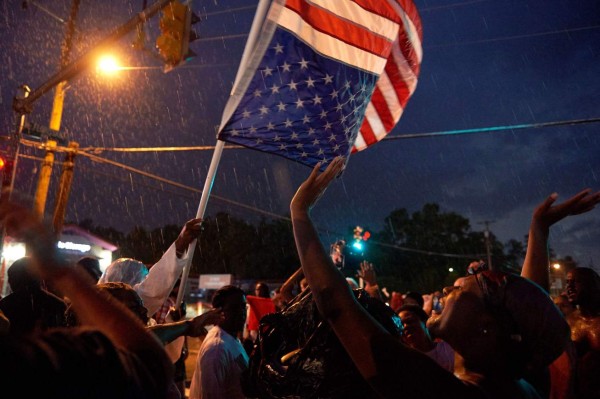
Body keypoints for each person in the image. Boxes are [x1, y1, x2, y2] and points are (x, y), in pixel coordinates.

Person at [289, 157, 570, 398]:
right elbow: (530, 310)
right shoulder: (523, 380)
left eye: (461, 290)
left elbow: (336, 306)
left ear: (486, 326)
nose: (447, 288)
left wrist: (300, 213)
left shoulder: (446, 393)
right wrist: (539, 230)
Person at [0, 200, 173, 398]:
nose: (142, 313)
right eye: (131, 307)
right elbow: (150, 365)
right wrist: (61, 271)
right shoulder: (49, 364)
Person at [520, 189, 600, 399]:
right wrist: (539, 227)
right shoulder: (565, 323)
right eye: (568, 283)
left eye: (577, 283)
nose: (570, 288)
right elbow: (530, 304)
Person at [99, 217, 202, 317]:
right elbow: (153, 289)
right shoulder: (98, 309)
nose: (143, 310)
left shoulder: (93, 305)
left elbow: (154, 287)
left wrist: (182, 242)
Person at [189, 285, 249, 399]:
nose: (242, 313)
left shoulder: (230, 337)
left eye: (243, 307)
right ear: (218, 312)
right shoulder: (216, 349)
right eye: (234, 308)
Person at [0, 256, 68, 336]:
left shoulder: (6, 304)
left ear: (16, 279)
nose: (9, 282)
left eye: (10, 278)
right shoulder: (58, 304)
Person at [398, 304, 454, 372]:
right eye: (401, 325)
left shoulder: (449, 348)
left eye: (410, 321)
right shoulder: (404, 363)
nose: (405, 327)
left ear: (425, 322)